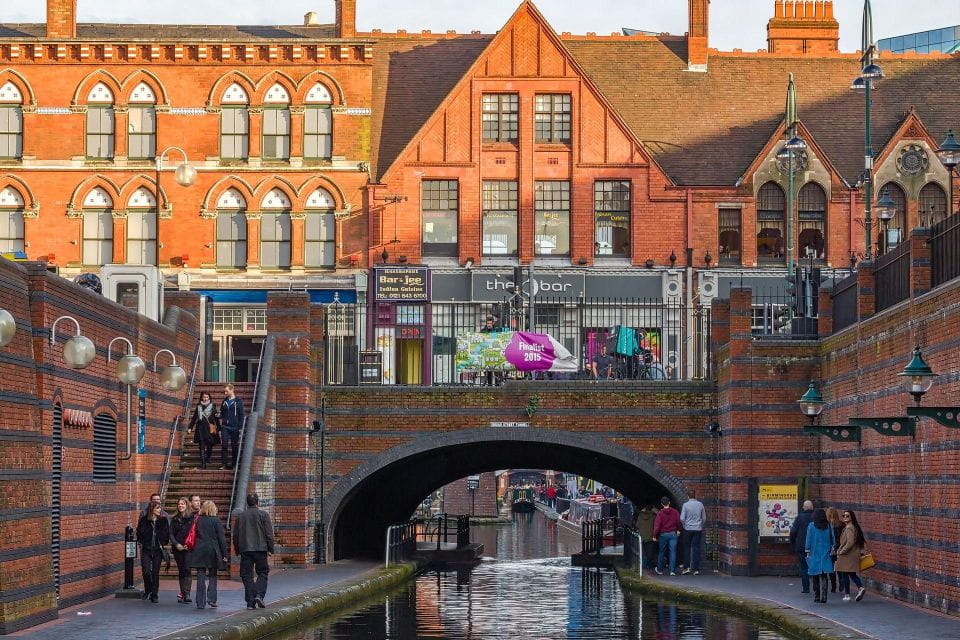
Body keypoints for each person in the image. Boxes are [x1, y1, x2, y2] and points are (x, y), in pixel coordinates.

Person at [233, 493, 276, 610]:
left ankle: (250, 602)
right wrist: (271, 549)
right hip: (260, 549)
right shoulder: (263, 515)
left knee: (246, 575)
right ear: (258, 502)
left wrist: (237, 549)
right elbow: (268, 534)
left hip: (245, 549)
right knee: (263, 572)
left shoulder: (241, 516)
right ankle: (258, 594)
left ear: (247, 503)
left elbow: (236, 535)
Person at [190, 500, 228, 610]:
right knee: (213, 575)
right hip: (213, 549)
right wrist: (224, 554)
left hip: (199, 549)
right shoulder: (216, 520)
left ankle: (200, 602)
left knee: (200, 575)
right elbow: (221, 538)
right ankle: (212, 599)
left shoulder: (198, 519)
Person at [136, 499, 170, 603]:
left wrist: (163, 541)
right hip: (146, 549)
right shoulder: (144, 520)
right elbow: (139, 533)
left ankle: (154, 594)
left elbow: (166, 533)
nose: (160, 510)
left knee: (155, 572)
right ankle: (148, 590)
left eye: (160, 508)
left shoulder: (163, 520)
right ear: (152, 509)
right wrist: (143, 541)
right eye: (157, 508)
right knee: (146, 571)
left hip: (157, 550)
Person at [835, 509, 867, 602]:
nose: (845, 517)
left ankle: (848, 594)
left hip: (848, 554)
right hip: (852, 554)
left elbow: (850, 542)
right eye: (844, 516)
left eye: (847, 516)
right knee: (851, 574)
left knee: (845, 573)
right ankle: (860, 588)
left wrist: (841, 551)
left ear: (851, 517)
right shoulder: (852, 527)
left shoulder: (849, 528)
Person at [805, 508, 835, 604]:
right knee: (824, 574)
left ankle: (817, 595)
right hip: (826, 552)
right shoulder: (829, 526)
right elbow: (833, 539)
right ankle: (824, 595)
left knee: (815, 574)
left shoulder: (811, 526)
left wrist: (807, 550)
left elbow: (808, 539)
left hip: (814, 553)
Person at [169, 496, 194, 604]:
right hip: (177, 548)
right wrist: (176, 544)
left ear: (186, 505)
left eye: (182, 504)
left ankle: (187, 593)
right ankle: (183, 592)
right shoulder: (174, 518)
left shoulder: (192, 518)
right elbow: (171, 534)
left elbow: (194, 533)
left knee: (187, 569)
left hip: (188, 548)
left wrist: (188, 544)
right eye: (179, 504)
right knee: (181, 569)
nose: (180, 506)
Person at [188, 392, 220, 469]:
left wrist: (219, 428)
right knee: (201, 445)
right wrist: (190, 427)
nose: (205, 399)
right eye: (204, 397)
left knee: (209, 445)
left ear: (209, 398)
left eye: (207, 397)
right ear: (201, 398)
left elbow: (216, 418)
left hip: (210, 428)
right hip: (200, 428)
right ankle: (203, 463)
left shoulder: (213, 406)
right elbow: (194, 418)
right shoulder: (198, 406)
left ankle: (208, 457)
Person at [789, 500, 815, 594]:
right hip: (814, 546)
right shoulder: (815, 517)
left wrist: (793, 542)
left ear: (804, 507)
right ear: (812, 508)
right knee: (814, 566)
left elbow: (793, 532)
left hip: (801, 546)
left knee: (804, 568)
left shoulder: (799, 517)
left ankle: (806, 588)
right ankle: (816, 587)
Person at [652, 496, 681, 576]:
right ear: (669, 502)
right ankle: (672, 571)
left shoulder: (660, 513)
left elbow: (657, 526)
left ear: (662, 504)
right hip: (673, 534)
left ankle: (660, 570)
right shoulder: (675, 512)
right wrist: (678, 530)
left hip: (663, 535)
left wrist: (654, 536)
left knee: (661, 552)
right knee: (673, 552)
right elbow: (678, 522)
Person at [219, 384, 245, 470]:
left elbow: (241, 415)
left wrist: (240, 427)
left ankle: (234, 465)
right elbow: (222, 413)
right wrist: (218, 415)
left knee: (234, 446)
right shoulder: (224, 401)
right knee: (224, 445)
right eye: (224, 391)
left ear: (232, 390)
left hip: (235, 427)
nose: (225, 392)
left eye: (227, 391)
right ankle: (224, 464)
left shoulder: (238, 401)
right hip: (225, 426)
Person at [680, 490, 706, 575]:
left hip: (688, 529)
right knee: (696, 548)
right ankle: (696, 569)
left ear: (688, 496)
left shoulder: (685, 505)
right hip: (698, 529)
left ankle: (686, 568)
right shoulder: (700, 504)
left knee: (687, 548)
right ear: (695, 495)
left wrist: (684, 525)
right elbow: (704, 518)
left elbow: (682, 518)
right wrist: (700, 525)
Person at [825, 507, 844, 593]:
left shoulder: (826, 526)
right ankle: (841, 583)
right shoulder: (842, 525)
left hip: (831, 549)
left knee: (831, 568)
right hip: (840, 548)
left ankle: (833, 586)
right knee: (839, 567)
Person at [635, 504, 657, 569]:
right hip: (650, 536)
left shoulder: (640, 516)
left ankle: (643, 566)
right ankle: (649, 565)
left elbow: (637, 525)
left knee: (643, 552)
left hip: (642, 536)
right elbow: (656, 525)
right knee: (650, 552)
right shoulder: (653, 516)